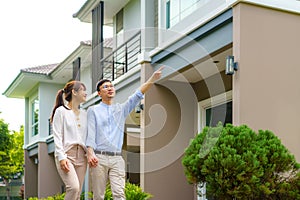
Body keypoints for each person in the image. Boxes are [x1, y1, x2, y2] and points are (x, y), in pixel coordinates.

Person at [86, 66, 164, 200]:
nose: (110, 88)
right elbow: (91, 134)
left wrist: (152, 79)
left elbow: (137, 95)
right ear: (99, 93)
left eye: (111, 86)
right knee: (98, 196)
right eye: (105, 87)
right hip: (99, 158)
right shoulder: (93, 110)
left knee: (119, 194)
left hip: (117, 158)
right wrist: (90, 153)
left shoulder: (120, 110)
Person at [50, 80, 88, 200]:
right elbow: (57, 135)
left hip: (82, 156)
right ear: (74, 92)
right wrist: (62, 157)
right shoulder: (61, 111)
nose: (85, 93)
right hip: (67, 155)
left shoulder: (85, 114)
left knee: (77, 193)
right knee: (73, 188)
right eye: (83, 90)